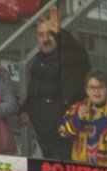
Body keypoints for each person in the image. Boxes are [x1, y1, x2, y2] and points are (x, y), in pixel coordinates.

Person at [20, 8, 91, 160]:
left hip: (65, 134)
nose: (45, 39)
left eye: (50, 34)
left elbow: (78, 54)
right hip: (43, 132)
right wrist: (26, 109)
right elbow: (35, 90)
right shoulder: (38, 59)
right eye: (41, 35)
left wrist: (60, 32)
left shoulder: (69, 57)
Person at [58, 72, 107, 167]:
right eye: (92, 87)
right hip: (79, 169)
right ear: (86, 90)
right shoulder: (78, 108)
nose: (96, 91)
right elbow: (62, 132)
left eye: (101, 87)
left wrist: (102, 121)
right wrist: (77, 119)